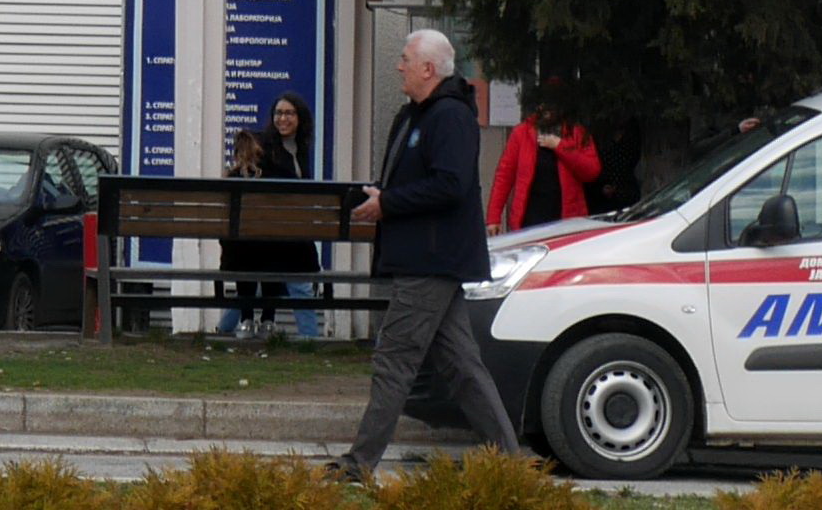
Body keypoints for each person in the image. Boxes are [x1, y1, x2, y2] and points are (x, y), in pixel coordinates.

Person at [339, 28, 527, 482]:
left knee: (394, 360)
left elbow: (450, 184)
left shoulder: (448, 117)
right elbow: (425, 181)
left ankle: (358, 464)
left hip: (430, 261)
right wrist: (382, 194)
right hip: (429, 259)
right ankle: (510, 461)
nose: (398, 66)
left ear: (428, 68)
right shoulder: (420, 114)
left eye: (405, 59)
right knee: (462, 366)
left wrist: (388, 203)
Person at [221, 97, 319, 344]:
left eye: (289, 113)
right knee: (296, 280)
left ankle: (227, 329)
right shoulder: (269, 149)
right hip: (274, 238)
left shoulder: (298, 149)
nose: (282, 118)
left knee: (254, 274)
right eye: (278, 113)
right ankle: (309, 338)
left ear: (301, 118)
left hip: (269, 239)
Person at [487, 89, 602, 234]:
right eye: (543, 106)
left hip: (566, 221)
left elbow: (591, 171)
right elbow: (504, 175)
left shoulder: (577, 133)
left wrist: (560, 146)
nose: (546, 111)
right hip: (528, 220)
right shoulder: (522, 133)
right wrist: (493, 217)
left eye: (552, 107)